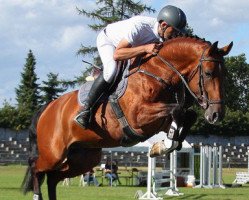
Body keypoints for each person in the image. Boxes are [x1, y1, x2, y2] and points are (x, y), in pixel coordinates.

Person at [74, 5, 187, 129]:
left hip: (131, 47)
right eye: (175, 30)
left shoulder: (163, 35)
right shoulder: (139, 26)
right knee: (111, 71)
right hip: (109, 41)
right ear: (164, 25)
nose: (176, 35)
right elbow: (117, 54)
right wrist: (145, 48)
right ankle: (85, 110)